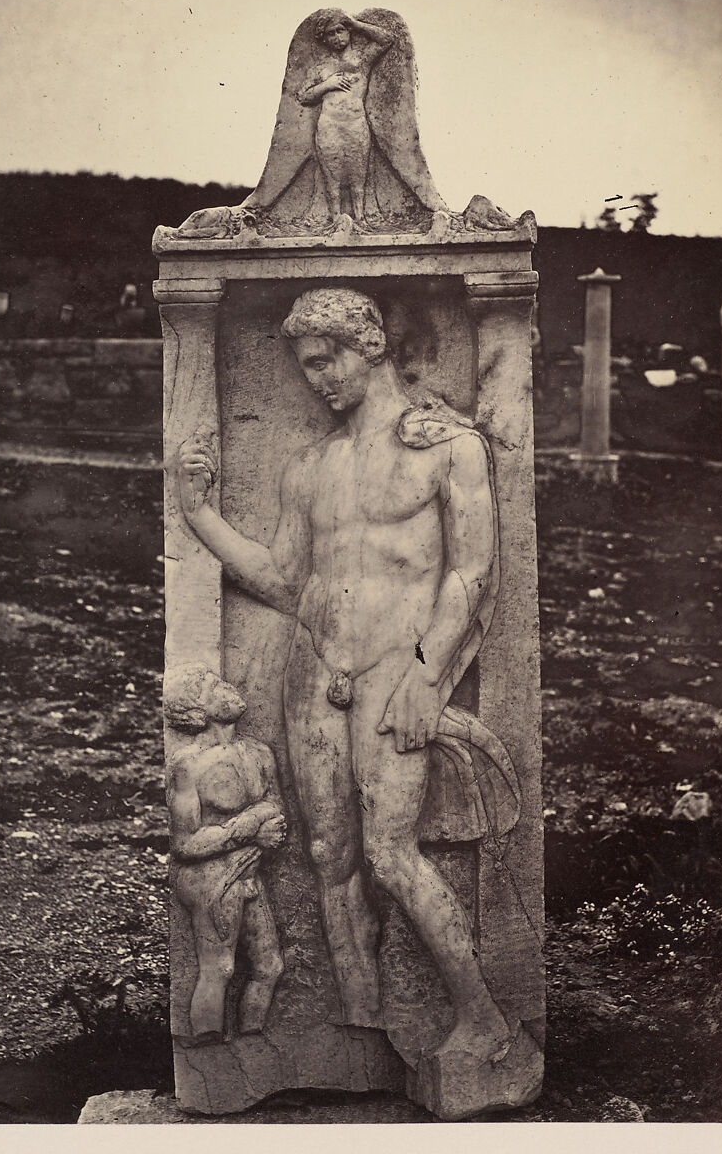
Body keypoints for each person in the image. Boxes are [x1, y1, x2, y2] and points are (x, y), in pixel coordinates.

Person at [177, 287, 513, 1062]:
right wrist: (199, 515)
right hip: (314, 673)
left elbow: (471, 573)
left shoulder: (448, 449)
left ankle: (484, 1020)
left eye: (327, 361)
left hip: (400, 675)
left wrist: (428, 678)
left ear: (371, 344)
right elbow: (285, 579)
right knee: (331, 856)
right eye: (305, 369)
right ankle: (361, 1030)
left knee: (392, 854)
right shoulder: (311, 467)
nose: (318, 380)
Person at [166, 663, 286, 1044]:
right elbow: (185, 843)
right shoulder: (188, 764)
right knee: (219, 967)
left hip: (247, 870)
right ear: (197, 711)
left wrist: (262, 829)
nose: (228, 688)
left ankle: (251, 1041)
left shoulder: (260, 754)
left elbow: (276, 813)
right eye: (214, 687)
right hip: (208, 878)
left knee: (270, 966)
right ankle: (208, 1046)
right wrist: (249, 829)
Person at [297, 10, 394, 225]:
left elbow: (387, 39)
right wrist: (326, 85)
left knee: (358, 178)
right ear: (324, 39)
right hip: (329, 126)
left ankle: (360, 220)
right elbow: (303, 96)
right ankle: (335, 221)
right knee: (332, 180)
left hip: (356, 124)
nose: (336, 38)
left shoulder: (362, 60)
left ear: (348, 31)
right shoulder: (321, 67)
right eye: (330, 34)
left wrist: (355, 23)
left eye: (340, 30)